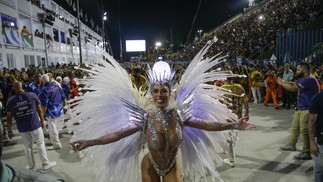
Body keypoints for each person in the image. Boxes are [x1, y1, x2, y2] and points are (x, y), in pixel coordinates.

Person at [70, 49, 256, 182]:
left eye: (164, 91)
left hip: (170, 165)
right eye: (156, 91)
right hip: (150, 165)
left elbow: (207, 125)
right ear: (152, 93)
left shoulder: (180, 115)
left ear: (170, 92)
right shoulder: (145, 117)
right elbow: (117, 135)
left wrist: (232, 125)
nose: (160, 95)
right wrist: (89, 142)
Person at [6, 82, 57, 172]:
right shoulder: (32, 95)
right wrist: (42, 121)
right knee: (40, 144)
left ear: (14, 89)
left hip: (22, 128)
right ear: (23, 87)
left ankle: (31, 167)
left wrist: (9, 130)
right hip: (34, 125)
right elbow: (39, 109)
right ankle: (45, 163)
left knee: (27, 147)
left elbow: (9, 117)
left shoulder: (10, 101)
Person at [278, 62, 320, 160]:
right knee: (295, 127)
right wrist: (284, 81)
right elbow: (293, 83)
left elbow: (293, 88)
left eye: (298, 69)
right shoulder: (305, 78)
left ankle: (306, 152)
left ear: (304, 70)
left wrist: (281, 83)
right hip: (300, 107)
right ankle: (292, 144)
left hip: (307, 108)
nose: (296, 71)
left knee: (304, 130)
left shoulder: (309, 79)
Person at [221, 76, 249, 167]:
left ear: (225, 79)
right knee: (232, 135)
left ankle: (231, 160)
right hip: (238, 115)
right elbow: (245, 101)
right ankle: (228, 150)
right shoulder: (239, 87)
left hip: (227, 116)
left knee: (229, 138)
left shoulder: (222, 88)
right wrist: (247, 113)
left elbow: (218, 103)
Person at [39, 74, 67, 150]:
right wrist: (65, 106)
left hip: (51, 111)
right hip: (59, 108)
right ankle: (56, 142)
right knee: (56, 127)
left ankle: (56, 144)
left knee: (52, 129)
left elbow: (44, 105)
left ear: (42, 81)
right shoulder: (56, 86)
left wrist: (42, 115)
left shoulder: (44, 89)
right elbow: (63, 96)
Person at [308, 91, 323, 182]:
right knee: (319, 169)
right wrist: (312, 142)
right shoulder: (318, 98)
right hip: (321, 140)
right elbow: (311, 123)